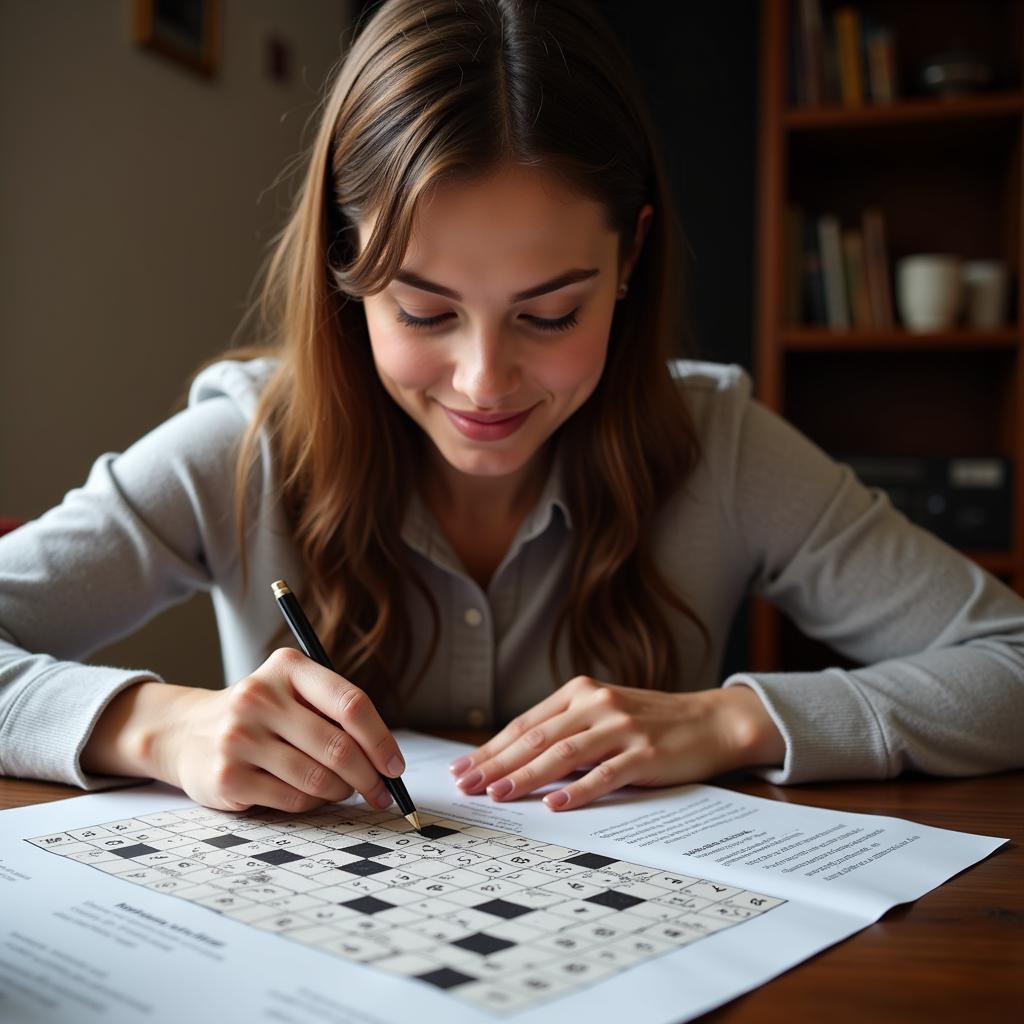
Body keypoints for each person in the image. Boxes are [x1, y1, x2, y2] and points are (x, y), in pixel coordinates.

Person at [1, 0, 1022, 817]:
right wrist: (154, 725)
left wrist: (733, 720)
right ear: (345, 275)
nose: (484, 381)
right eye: (423, 308)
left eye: (551, 311)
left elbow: (1007, 660)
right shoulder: (243, 448)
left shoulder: (721, 448)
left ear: (630, 260)